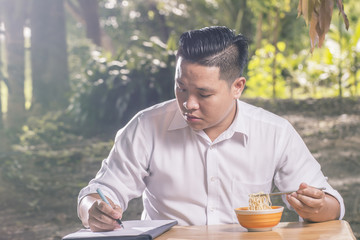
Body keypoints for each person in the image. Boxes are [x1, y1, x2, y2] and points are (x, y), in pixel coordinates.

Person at [77, 26, 344, 232]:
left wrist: (317, 206)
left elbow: (331, 206)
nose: (188, 104)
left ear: (237, 87)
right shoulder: (146, 127)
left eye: (204, 94)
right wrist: (94, 210)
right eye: (181, 88)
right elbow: (97, 193)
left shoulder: (274, 132)